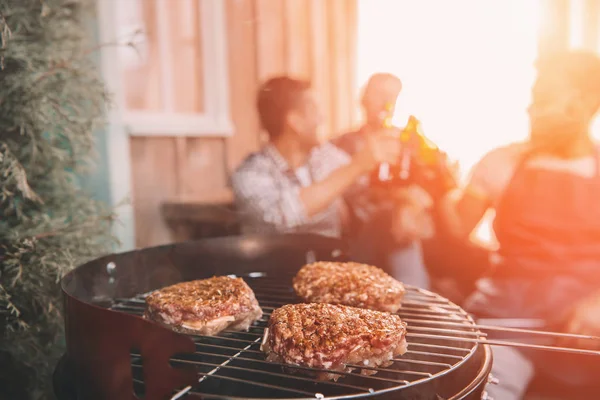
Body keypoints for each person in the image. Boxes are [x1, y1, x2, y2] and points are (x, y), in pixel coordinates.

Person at [439, 50, 600, 399]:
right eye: (533, 100)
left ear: (585, 103)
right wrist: (440, 190)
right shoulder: (502, 162)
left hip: (585, 334)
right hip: (506, 323)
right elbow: (455, 230)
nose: (531, 110)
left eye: (544, 101)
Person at [232, 76, 414, 241]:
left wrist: (407, 199)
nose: (322, 119)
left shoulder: (324, 157)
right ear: (295, 121)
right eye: (315, 110)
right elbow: (281, 216)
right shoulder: (250, 173)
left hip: (332, 267)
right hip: (276, 272)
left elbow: (365, 186)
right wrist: (356, 166)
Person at [333, 73, 433, 288]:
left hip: (400, 231)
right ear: (363, 98)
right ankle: (416, 298)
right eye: (379, 94)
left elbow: (426, 190)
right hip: (356, 237)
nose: (386, 103)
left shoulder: (410, 144)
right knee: (392, 216)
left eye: (392, 96)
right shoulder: (340, 145)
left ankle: (414, 298)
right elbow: (338, 193)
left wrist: (408, 203)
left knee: (400, 218)